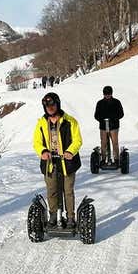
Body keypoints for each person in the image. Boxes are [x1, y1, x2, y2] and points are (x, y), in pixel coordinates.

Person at [33, 92, 83, 228]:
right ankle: (54, 215)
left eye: (52, 105)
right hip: (49, 162)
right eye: (47, 106)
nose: (50, 108)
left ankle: (71, 217)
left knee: (68, 190)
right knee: (52, 190)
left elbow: (78, 140)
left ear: (57, 104)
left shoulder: (70, 121)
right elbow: (36, 142)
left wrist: (70, 151)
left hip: (67, 162)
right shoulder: (41, 123)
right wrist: (42, 151)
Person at [93, 85, 124, 164]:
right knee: (103, 143)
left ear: (111, 93)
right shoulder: (100, 103)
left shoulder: (116, 102)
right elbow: (96, 115)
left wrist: (113, 118)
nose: (107, 95)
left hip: (114, 126)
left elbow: (121, 114)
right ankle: (103, 159)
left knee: (115, 142)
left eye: (109, 94)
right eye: (106, 94)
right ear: (103, 94)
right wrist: (102, 120)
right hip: (103, 126)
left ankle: (116, 159)